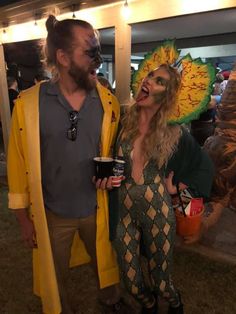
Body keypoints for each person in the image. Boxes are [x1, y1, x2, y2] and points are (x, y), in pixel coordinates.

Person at [7, 15, 128, 314]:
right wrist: (24, 219)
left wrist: (114, 172)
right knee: (54, 273)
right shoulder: (28, 104)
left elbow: (115, 150)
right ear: (62, 57)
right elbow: (17, 162)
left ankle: (111, 301)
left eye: (98, 50)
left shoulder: (107, 102)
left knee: (106, 262)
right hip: (52, 213)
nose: (98, 59)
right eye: (90, 52)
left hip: (97, 209)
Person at [110, 64, 213, 314]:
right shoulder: (123, 121)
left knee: (162, 282)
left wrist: (178, 191)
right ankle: (150, 305)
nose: (148, 81)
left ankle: (175, 304)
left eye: (159, 81)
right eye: (149, 76)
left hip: (158, 214)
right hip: (123, 214)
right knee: (131, 283)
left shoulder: (176, 133)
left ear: (167, 95)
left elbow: (204, 168)